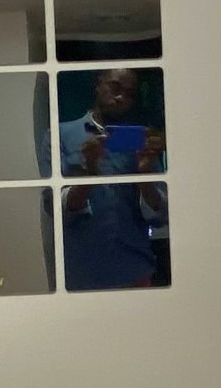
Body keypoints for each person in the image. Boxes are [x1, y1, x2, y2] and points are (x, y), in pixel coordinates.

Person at [59, 68, 167, 288]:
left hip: (135, 267)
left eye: (130, 94)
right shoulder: (62, 135)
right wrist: (89, 171)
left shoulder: (138, 141)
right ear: (98, 84)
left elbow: (160, 214)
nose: (121, 98)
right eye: (115, 88)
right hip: (80, 272)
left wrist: (144, 174)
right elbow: (57, 209)